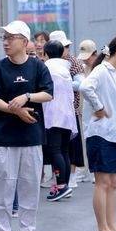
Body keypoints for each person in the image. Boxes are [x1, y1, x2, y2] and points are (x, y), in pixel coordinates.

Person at [0, 20, 53, 231]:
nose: (5, 42)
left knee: (30, 186)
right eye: (4, 38)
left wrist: (27, 97)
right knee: (3, 186)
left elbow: (48, 93)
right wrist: (15, 110)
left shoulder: (38, 67)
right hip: (5, 137)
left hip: (32, 137)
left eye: (10, 38)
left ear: (24, 42)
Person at [79, 34, 116, 231]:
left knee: (113, 182)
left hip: (115, 133)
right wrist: (99, 107)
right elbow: (85, 87)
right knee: (102, 182)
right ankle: (102, 228)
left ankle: (112, 226)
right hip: (101, 133)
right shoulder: (102, 70)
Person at [49, 30, 87, 188]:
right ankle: (60, 178)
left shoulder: (73, 62)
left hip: (71, 109)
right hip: (54, 111)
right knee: (59, 148)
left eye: (66, 47)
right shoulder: (49, 63)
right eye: (63, 47)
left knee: (69, 147)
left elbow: (81, 83)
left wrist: (62, 84)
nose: (65, 50)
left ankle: (70, 177)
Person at [42, 40, 77, 201]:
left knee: (55, 150)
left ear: (46, 54)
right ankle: (64, 185)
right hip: (67, 115)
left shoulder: (47, 68)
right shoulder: (65, 69)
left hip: (53, 114)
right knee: (64, 151)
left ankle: (61, 186)